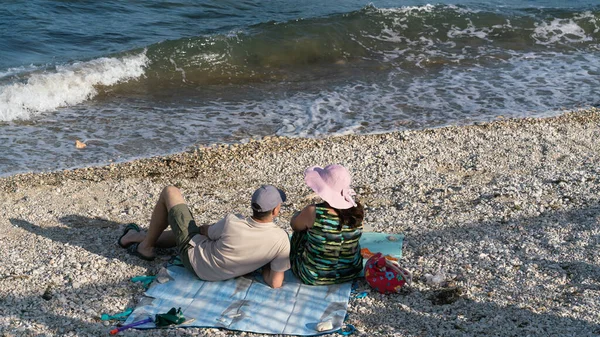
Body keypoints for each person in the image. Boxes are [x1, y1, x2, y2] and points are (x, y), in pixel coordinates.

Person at [117, 185, 290, 288]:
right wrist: (265, 261)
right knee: (193, 233)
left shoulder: (233, 222)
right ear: (275, 210)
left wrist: (211, 229)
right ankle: (137, 237)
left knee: (170, 192)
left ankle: (145, 246)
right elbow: (275, 283)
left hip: (195, 260)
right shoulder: (281, 240)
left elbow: (203, 231)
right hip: (216, 272)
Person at [290, 164, 364, 285]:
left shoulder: (314, 211)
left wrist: (298, 215)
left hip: (313, 276)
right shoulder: (358, 211)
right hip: (351, 272)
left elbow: (295, 226)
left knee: (301, 233)